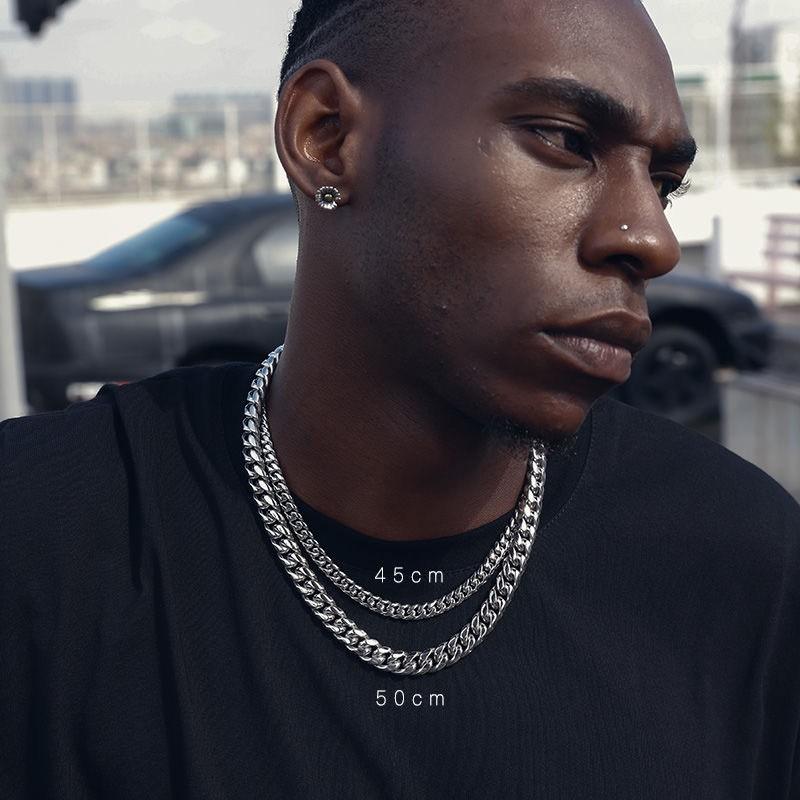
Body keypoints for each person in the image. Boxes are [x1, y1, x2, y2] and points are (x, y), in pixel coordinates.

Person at [2, 0, 798, 797]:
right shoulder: (41, 539)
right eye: (564, 140)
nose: (652, 239)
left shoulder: (740, 561)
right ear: (326, 137)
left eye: (664, 184)